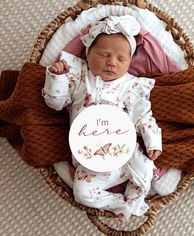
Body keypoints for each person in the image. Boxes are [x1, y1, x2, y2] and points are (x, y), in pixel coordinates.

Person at [42, 15, 162, 221]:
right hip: (91, 159)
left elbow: (143, 114)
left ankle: (135, 198)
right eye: (103, 54)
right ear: (88, 53)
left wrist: (153, 141)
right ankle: (118, 203)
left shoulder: (130, 85)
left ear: (130, 62)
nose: (111, 62)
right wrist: (57, 78)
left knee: (146, 170)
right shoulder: (79, 76)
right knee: (81, 193)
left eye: (121, 59)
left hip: (125, 151)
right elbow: (55, 103)